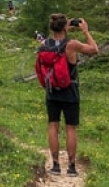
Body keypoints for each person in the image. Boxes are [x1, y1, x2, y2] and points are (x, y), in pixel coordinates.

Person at [36, 14, 98, 175]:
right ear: (65, 27)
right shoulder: (71, 45)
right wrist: (85, 31)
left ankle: (55, 165)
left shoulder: (44, 44)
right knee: (70, 128)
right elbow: (94, 50)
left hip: (51, 92)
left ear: (51, 28)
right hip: (70, 91)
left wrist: (63, 28)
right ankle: (71, 167)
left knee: (53, 126)